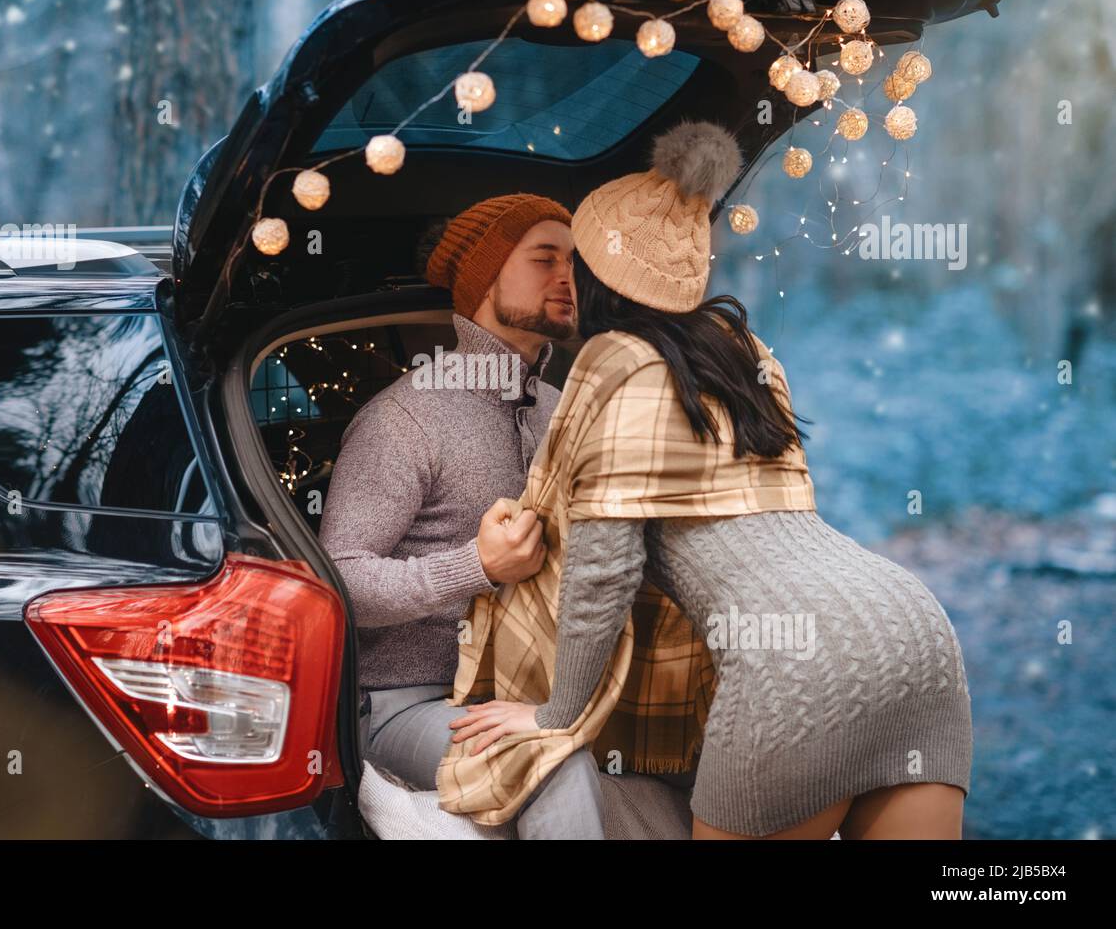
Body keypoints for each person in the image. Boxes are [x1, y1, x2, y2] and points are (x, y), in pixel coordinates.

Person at [448, 119, 974, 840]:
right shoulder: (745, 349)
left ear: (599, 278)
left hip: (796, 661)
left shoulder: (613, 360)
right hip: (910, 624)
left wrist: (555, 714)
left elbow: (604, 570)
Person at [319, 193, 610, 838]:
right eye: (543, 259)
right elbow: (339, 582)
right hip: (406, 702)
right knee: (549, 763)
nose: (568, 278)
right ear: (484, 278)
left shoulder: (564, 409)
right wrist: (477, 566)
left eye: (575, 262)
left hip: (533, 688)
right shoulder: (403, 419)